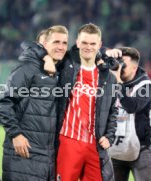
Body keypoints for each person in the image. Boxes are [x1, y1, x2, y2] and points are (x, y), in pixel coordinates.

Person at [39, 23, 117, 181]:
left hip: (96, 145)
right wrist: (47, 57)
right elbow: (36, 49)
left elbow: (113, 110)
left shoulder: (108, 77)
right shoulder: (66, 65)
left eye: (93, 43)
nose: (88, 47)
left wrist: (109, 135)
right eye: (85, 43)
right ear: (77, 43)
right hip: (69, 141)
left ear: (99, 45)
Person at [0, 25, 68, 181]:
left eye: (64, 43)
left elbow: (84, 49)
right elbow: (3, 102)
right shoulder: (28, 67)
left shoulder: (59, 70)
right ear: (44, 45)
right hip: (24, 152)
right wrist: (16, 134)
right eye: (56, 42)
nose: (61, 47)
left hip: (47, 156)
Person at [109, 47, 151, 181]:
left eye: (123, 64)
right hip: (115, 149)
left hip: (140, 150)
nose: (119, 66)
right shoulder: (109, 82)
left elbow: (131, 106)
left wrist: (117, 82)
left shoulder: (146, 86)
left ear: (134, 68)